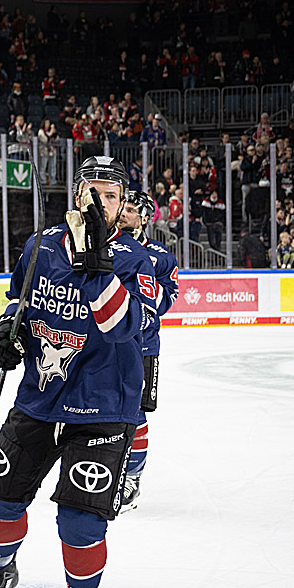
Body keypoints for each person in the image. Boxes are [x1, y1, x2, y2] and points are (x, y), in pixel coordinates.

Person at [0, 156, 157, 588]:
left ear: (123, 204)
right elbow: (18, 300)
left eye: (111, 196)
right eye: (93, 191)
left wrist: (95, 269)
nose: (100, 202)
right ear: (77, 192)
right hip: (39, 398)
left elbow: (131, 328)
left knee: (80, 520)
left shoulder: (142, 260)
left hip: (104, 407)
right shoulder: (42, 245)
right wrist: (6, 330)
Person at [116, 191, 179, 513]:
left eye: (130, 209)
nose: (124, 213)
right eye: (121, 207)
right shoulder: (104, 246)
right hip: (105, 344)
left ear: (145, 217)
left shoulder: (161, 256)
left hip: (142, 345)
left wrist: (141, 305)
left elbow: (170, 294)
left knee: (136, 413)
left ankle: (132, 478)